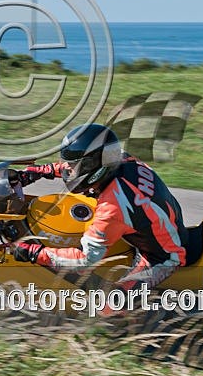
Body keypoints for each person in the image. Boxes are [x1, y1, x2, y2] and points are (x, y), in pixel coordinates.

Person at [11, 123, 189, 292]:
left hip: (162, 257)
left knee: (107, 308)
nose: (67, 168)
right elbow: (80, 168)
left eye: (73, 165)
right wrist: (41, 171)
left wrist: (35, 253)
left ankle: (155, 316)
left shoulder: (112, 207)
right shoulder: (122, 159)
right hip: (159, 222)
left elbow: (85, 260)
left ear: (93, 166)